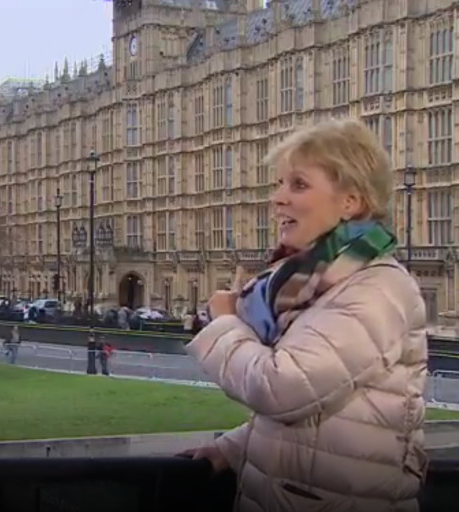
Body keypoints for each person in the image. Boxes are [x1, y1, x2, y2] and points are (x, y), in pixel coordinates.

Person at [181, 119, 427, 512]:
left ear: (350, 201)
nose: (277, 198)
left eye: (298, 184)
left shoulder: (376, 290)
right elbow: (331, 409)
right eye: (278, 184)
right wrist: (234, 448)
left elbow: (284, 390)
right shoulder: (315, 283)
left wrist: (224, 323)